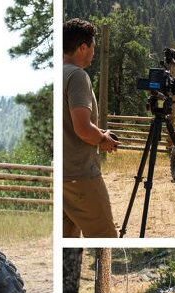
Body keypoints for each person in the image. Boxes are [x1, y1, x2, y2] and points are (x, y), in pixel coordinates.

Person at [62, 18, 120, 238]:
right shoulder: (77, 76)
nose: (94, 52)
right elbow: (83, 129)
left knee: (68, 242)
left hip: (63, 174)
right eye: (93, 46)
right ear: (83, 47)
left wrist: (100, 133)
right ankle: (105, 274)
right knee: (105, 238)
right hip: (81, 175)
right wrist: (103, 140)